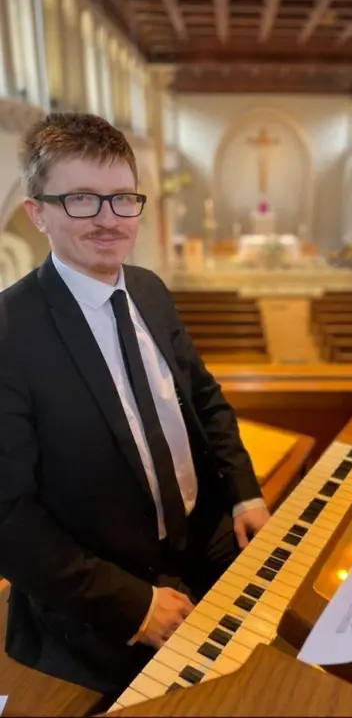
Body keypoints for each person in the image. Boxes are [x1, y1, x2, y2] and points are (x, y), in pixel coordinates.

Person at [0, 112, 270, 698]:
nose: (108, 220)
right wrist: (134, 606)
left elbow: (204, 398)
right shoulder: (7, 332)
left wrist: (244, 491)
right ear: (37, 212)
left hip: (205, 544)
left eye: (122, 198)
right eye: (81, 200)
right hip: (101, 593)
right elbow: (7, 515)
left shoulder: (148, 288)